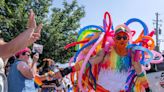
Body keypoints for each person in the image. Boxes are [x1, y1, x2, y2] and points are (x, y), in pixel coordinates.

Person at [50, 24, 152, 92]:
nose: (121, 39)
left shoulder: (132, 55)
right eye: (118, 37)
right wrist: (67, 70)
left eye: (124, 37)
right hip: (101, 88)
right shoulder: (107, 51)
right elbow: (89, 62)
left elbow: (139, 70)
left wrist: (147, 88)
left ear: (128, 39)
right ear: (114, 39)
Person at [0, 9, 42, 92]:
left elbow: (11, 48)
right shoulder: (20, 64)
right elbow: (32, 75)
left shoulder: (16, 63)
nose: (29, 55)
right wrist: (34, 61)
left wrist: (30, 38)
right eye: (27, 54)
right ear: (20, 55)